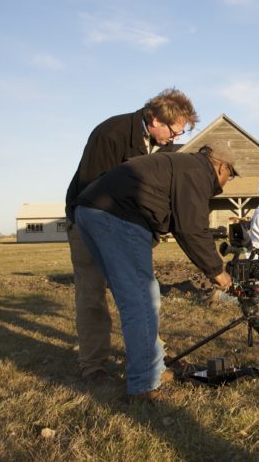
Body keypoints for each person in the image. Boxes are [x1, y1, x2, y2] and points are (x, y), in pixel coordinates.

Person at [72, 141, 236, 401]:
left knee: (133, 298)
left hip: (89, 212)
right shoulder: (197, 172)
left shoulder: (178, 165)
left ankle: (155, 369)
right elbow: (191, 228)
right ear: (221, 166)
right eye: (231, 175)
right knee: (142, 301)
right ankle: (144, 385)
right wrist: (217, 270)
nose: (227, 182)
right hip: (118, 216)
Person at [65, 88, 198, 384]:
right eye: (172, 132)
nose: (174, 139)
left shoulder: (163, 148)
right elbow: (93, 192)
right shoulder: (112, 133)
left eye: (180, 134)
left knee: (140, 294)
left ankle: (154, 358)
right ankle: (93, 365)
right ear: (153, 118)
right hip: (88, 223)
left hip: (128, 228)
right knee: (92, 294)